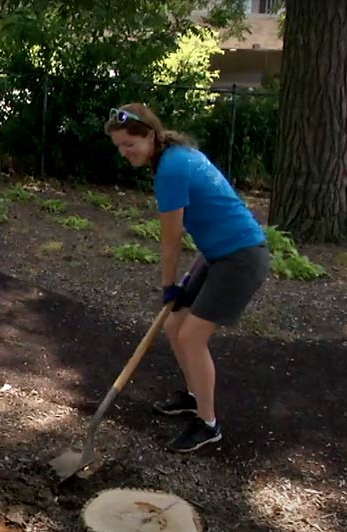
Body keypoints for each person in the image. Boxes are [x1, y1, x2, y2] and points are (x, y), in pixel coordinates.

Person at [104, 102, 270, 453]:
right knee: (174, 323)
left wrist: (168, 285)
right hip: (215, 253)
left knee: (193, 335)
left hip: (240, 258)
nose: (124, 153)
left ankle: (208, 425)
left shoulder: (171, 170)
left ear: (149, 135)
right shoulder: (174, 155)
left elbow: (171, 239)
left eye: (129, 145)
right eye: (119, 147)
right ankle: (194, 396)